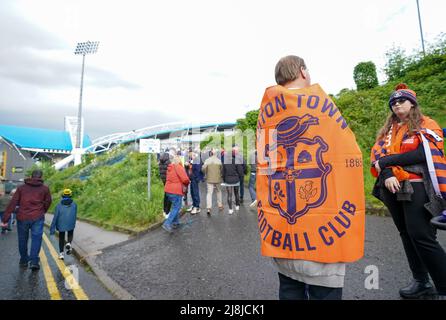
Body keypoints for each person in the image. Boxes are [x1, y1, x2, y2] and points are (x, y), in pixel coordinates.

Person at [256, 55, 365, 300]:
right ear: (303, 72)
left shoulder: (266, 115)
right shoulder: (322, 105)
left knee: (289, 289)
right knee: (323, 293)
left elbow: (265, 169)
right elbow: (348, 154)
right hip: (322, 245)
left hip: (283, 235)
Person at [370, 83, 446, 300]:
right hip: (393, 187)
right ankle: (421, 281)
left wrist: (388, 161)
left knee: (421, 235)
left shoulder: (426, 123)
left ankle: (444, 286)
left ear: (412, 103)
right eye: (393, 102)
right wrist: (387, 173)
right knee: (406, 234)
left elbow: (423, 154)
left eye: (401, 101)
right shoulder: (387, 132)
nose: (396, 105)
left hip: (418, 184)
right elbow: (376, 158)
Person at [0, 170, 52, 270]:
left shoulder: (21, 188)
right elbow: (48, 201)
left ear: (31, 176)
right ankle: (34, 262)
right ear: (41, 176)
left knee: (23, 239)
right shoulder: (45, 189)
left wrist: (5, 219)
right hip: (38, 217)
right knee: (36, 239)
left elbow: (13, 203)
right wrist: (43, 210)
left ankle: (24, 260)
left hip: (22, 217)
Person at [162, 155, 190, 233]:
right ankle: (167, 223)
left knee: (175, 206)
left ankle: (175, 222)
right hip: (175, 191)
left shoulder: (170, 168)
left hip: (168, 190)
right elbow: (185, 179)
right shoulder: (178, 167)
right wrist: (187, 183)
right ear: (179, 161)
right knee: (177, 207)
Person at [50, 189, 77, 260]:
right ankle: (69, 243)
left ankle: (61, 254)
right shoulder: (74, 204)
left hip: (61, 224)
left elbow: (55, 217)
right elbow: (74, 214)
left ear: (62, 195)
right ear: (71, 195)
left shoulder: (58, 205)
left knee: (61, 238)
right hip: (71, 223)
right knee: (70, 233)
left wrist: (52, 229)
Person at [222, 148, 244, 214]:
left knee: (229, 195)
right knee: (236, 193)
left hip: (228, 180)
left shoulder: (225, 163)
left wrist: (224, 180)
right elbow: (240, 171)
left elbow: (223, 173)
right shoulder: (236, 161)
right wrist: (240, 178)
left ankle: (230, 209)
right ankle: (237, 205)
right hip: (236, 180)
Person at [202, 149, 224, 215]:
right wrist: (220, 175)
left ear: (210, 154)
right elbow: (221, 169)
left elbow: (203, 169)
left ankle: (209, 208)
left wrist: (206, 173)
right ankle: (220, 205)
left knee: (209, 193)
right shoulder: (219, 161)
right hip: (217, 178)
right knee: (219, 191)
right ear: (216, 154)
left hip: (209, 178)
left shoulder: (207, 160)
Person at [158, 151, 172, 218]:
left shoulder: (160, 162)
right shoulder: (169, 162)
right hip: (169, 181)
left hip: (164, 181)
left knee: (166, 195)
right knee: (169, 196)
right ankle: (167, 211)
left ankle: (164, 210)